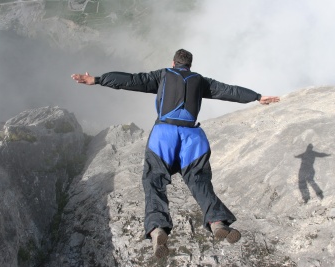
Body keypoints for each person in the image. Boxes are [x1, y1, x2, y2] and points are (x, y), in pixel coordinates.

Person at [71, 49, 280, 258]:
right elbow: (229, 91)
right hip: (193, 139)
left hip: (165, 136)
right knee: (199, 181)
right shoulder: (201, 81)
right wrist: (257, 97)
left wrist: (97, 79)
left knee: (154, 181)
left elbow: (131, 80)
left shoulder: (162, 75)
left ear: (174, 63)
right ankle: (218, 222)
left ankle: (157, 228)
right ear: (190, 65)